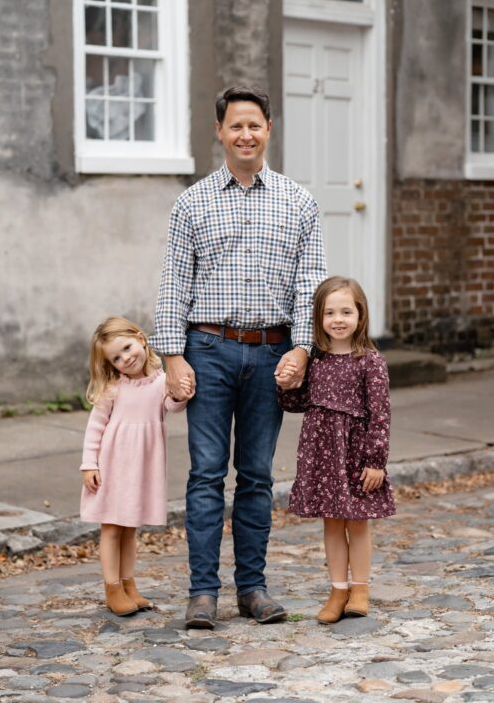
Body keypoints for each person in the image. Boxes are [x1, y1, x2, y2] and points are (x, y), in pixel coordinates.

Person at [153, 85, 327, 629]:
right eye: (235, 126)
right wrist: (171, 356)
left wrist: (302, 346)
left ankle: (252, 588)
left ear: (268, 129)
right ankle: (202, 593)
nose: (245, 135)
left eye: (255, 125)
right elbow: (174, 283)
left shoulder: (299, 202)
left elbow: (310, 283)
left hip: (273, 352)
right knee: (206, 474)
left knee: (254, 474)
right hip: (206, 351)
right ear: (220, 131)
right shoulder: (192, 202)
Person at [278, 276, 395, 623]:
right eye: (330, 312)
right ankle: (337, 589)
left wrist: (376, 461)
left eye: (346, 311)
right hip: (321, 451)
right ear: (318, 318)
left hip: (356, 452)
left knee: (357, 522)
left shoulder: (370, 362)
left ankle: (360, 588)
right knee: (331, 523)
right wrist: (286, 384)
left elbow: (381, 415)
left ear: (360, 315)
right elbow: (299, 402)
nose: (338, 319)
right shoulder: (315, 359)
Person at [79, 317, 190, 616]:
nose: (125, 358)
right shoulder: (113, 388)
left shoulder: (160, 381)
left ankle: (129, 585)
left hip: (141, 468)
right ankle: (112, 588)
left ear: (141, 339)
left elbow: (172, 406)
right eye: (116, 357)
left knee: (130, 529)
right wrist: (89, 464)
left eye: (127, 348)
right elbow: (95, 427)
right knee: (112, 528)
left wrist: (180, 392)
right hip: (113, 466)